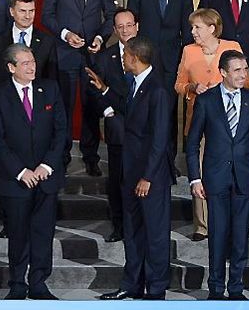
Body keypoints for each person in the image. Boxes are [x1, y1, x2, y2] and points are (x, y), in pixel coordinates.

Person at [185, 50, 249, 300]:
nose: (243, 75)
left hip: (245, 177)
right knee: (218, 236)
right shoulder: (207, 101)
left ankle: (236, 288)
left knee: (240, 237)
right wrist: (195, 178)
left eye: (245, 69)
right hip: (215, 178)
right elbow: (192, 142)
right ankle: (216, 289)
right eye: (237, 70)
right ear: (223, 72)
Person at [0, 44, 66, 300]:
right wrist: (21, 171)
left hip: (46, 178)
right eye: (24, 63)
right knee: (18, 234)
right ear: (11, 67)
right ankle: (17, 284)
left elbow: (61, 132)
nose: (31, 67)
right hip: (16, 180)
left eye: (32, 61)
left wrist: (46, 166)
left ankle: (39, 284)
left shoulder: (50, 89)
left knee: (43, 234)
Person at [99, 37, 175, 301]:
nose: (122, 58)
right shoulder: (135, 85)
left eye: (125, 55)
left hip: (149, 177)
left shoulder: (158, 90)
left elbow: (159, 139)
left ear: (134, 57)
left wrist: (147, 176)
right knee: (133, 232)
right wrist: (106, 91)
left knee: (154, 234)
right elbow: (131, 113)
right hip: (130, 173)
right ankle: (131, 284)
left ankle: (155, 289)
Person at [41, 0, 117, 173]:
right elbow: (47, 15)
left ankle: (91, 155)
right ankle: (61, 154)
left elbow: (110, 15)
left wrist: (99, 38)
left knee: (91, 105)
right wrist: (65, 34)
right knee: (62, 107)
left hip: (92, 56)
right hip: (64, 54)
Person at [174, 8, 249, 241]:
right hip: (199, 120)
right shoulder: (189, 50)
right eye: (192, 27)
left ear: (211, 28)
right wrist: (192, 88)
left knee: (226, 174)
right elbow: (178, 84)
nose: (192, 31)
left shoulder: (232, 47)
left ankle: (226, 224)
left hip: (229, 125)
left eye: (197, 27)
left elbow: (246, 81)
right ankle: (202, 226)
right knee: (200, 171)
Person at [127, 0, 194, 159]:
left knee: (169, 113)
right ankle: (142, 156)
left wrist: (184, 64)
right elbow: (131, 23)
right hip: (144, 61)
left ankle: (168, 161)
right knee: (142, 109)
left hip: (172, 62)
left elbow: (187, 30)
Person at [84, 8, 145, 243]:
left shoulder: (149, 53)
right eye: (120, 27)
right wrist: (107, 111)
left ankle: (140, 225)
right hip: (118, 127)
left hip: (143, 130)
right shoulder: (104, 57)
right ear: (114, 30)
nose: (125, 30)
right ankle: (119, 226)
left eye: (129, 25)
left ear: (136, 26)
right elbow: (93, 88)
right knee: (118, 181)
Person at [0, 0, 58, 95]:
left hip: (37, 103)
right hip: (4, 102)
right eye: (22, 11)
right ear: (12, 11)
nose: (27, 16)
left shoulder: (47, 41)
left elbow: (52, 80)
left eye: (31, 11)